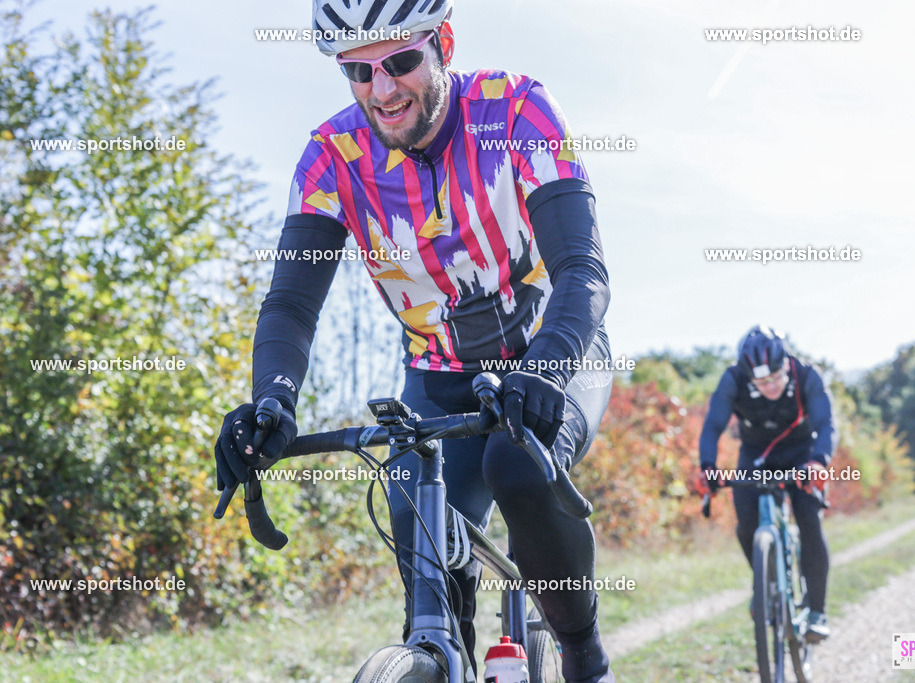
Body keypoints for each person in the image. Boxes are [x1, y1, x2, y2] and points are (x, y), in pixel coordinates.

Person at [213, 2, 615, 680]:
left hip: (551, 353)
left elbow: (583, 268)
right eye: (359, 72)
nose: (384, 89)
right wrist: (272, 402)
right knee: (415, 515)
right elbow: (289, 305)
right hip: (437, 373)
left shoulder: (517, 108)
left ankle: (585, 653)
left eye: (401, 61)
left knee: (517, 466)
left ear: (444, 44)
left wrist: (546, 365)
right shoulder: (333, 157)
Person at [695, 325, 837, 642]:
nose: (770, 385)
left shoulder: (807, 374)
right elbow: (712, 426)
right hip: (756, 457)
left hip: (803, 454)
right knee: (746, 525)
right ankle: (765, 581)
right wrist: (707, 467)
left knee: (810, 522)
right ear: (749, 377)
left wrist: (819, 461)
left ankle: (817, 612)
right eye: (761, 382)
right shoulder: (732, 379)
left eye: (775, 377)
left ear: (785, 364)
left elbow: (826, 423)